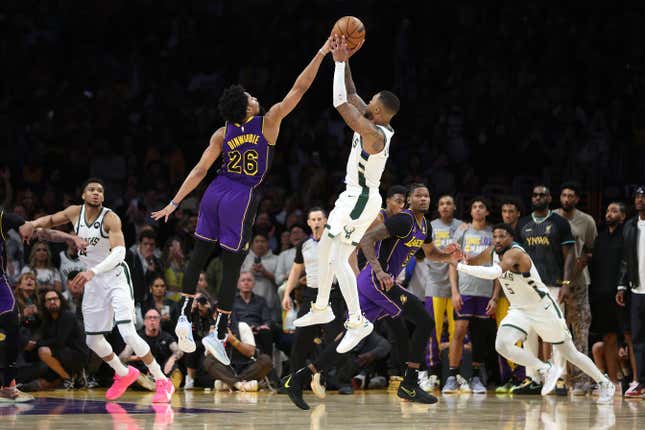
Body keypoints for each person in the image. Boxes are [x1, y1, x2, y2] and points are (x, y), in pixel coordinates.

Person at [150, 37, 333, 364]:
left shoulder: (222, 133)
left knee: (199, 255)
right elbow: (300, 88)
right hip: (240, 196)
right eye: (249, 97)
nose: (255, 97)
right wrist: (321, 52)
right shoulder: (269, 122)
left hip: (214, 192)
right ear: (245, 107)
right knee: (232, 264)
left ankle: (182, 317)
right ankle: (219, 334)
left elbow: (199, 170)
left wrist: (175, 203)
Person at [286, 184, 456, 409]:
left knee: (350, 337)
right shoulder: (402, 221)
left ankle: (297, 379)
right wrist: (379, 270)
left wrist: (449, 255)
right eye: (418, 196)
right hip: (376, 282)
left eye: (426, 195)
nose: (423, 199)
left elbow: (431, 253)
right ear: (408, 200)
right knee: (424, 320)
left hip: (378, 284)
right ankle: (410, 383)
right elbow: (366, 240)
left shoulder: (425, 226)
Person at [294, 36, 401, 355]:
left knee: (336, 255)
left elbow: (342, 103)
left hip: (361, 199)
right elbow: (352, 92)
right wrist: (345, 57)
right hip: (352, 196)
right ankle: (326, 308)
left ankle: (355, 320)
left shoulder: (374, 134)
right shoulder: (373, 119)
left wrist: (338, 62)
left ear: (379, 110)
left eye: (371, 102)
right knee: (330, 250)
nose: (364, 102)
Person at [28, 178, 174, 403]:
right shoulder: (74, 213)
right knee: (93, 341)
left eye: (100, 190)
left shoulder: (110, 218)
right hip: (94, 280)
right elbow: (49, 220)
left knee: (128, 333)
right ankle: (124, 373)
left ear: (103, 197)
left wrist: (92, 272)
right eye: (91, 189)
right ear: (84, 195)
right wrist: (31, 223)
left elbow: (119, 254)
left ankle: (162, 379)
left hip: (115, 276)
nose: (96, 193)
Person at [447, 223, 615, 404]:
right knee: (502, 345)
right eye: (494, 236)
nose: (497, 240)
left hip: (542, 308)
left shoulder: (516, 254)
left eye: (502, 236)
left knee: (570, 353)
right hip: (519, 310)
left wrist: (459, 267)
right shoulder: (493, 251)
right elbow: (475, 261)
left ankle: (604, 382)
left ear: (511, 238)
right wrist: (462, 257)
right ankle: (544, 368)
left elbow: (493, 273)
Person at [0, 210, 84, 402]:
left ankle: (8, 386)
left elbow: (36, 231)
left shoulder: (4, 218)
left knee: (11, 328)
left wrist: (69, 237)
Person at [515, 185, 575, 395]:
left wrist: (566, 284)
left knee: (557, 331)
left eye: (542, 195)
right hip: (527, 287)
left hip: (553, 284)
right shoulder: (523, 224)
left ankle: (560, 377)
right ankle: (533, 377)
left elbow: (570, 255)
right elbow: (515, 257)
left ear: (550, 198)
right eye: (535, 195)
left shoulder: (559, 222)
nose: (538, 198)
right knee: (528, 332)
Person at [281, 207, 346, 396]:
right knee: (300, 339)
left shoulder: (335, 240)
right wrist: (287, 294)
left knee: (339, 340)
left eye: (319, 219)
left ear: (325, 221)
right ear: (309, 223)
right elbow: (296, 270)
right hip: (310, 295)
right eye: (313, 219)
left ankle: (327, 376)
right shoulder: (304, 244)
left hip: (333, 294)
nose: (316, 222)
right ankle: (294, 381)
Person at [443, 196, 497, 394]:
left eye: (481, 207)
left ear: (487, 211)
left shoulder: (493, 234)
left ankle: (475, 377)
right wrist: (455, 292)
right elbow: (452, 262)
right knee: (458, 331)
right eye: (474, 207)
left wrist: (494, 296)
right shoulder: (462, 231)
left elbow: (498, 267)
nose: (477, 210)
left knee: (479, 336)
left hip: (484, 291)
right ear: (471, 211)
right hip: (464, 290)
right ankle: (451, 376)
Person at [556, 181, 598, 395]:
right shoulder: (552, 217)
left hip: (579, 284)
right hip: (553, 283)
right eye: (564, 195)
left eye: (571, 195)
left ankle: (581, 381)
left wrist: (571, 277)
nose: (567, 199)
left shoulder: (587, 221)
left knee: (580, 333)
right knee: (556, 333)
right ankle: (559, 378)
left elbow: (588, 252)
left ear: (577, 199)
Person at [422, 194, 462, 390]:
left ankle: (458, 375)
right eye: (442, 203)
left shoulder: (463, 227)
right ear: (437, 208)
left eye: (449, 203)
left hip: (458, 286)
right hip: (435, 284)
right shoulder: (429, 226)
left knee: (458, 332)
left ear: (454, 207)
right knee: (433, 331)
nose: (445, 206)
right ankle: (432, 374)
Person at [589, 202, 625, 388]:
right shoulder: (600, 238)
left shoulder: (626, 236)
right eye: (608, 210)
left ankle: (635, 380)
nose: (609, 214)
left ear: (623, 216)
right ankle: (613, 381)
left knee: (628, 337)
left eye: (614, 211)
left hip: (623, 293)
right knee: (608, 338)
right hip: (602, 295)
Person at [616, 185, 645, 398]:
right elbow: (625, 260)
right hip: (637, 290)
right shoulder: (630, 226)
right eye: (637, 196)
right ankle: (641, 382)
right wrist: (621, 285)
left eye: (643, 196)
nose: (640, 199)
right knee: (637, 339)